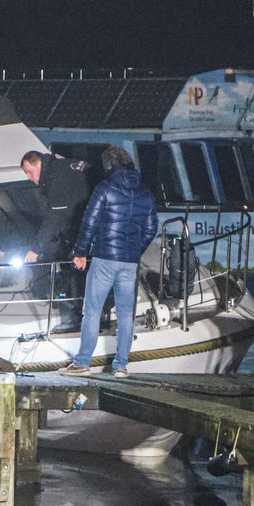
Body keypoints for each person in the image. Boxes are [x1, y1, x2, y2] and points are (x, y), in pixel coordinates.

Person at [59, 146, 157, 378]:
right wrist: (135, 250)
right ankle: (121, 366)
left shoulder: (105, 188)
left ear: (108, 166)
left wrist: (80, 252)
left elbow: (89, 222)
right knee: (125, 314)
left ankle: (82, 363)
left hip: (104, 258)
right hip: (129, 262)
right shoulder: (146, 193)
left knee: (92, 310)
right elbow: (151, 229)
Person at [20, 150, 91, 332]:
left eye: (30, 172)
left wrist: (35, 249)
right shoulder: (61, 167)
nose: (29, 177)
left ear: (38, 165)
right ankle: (91, 313)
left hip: (86, 229)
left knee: (76, 270)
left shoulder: (56, 178)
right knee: (73, 266)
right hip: (86, 225)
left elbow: (53, 217)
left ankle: (79, 320)